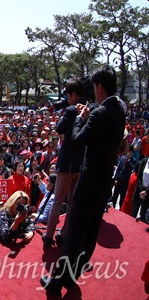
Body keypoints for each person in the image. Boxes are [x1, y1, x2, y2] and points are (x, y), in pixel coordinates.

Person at [41, 66, 126, 296]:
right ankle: (72, 275)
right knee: (90, 235)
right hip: (104, 183)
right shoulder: (120, 109)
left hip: (88, 182)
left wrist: (80, 119)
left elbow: (77, 141)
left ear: (99, 87)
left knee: (75, 233)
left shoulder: (98, 113)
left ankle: (57, 282)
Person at [42, 78, 86, 248]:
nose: (67, 99)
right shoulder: (91, 109)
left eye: (68, 96)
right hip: (80, 164)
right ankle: (64, 234)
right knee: (72, 202)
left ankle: (48, 236)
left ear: (73, 95)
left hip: (67, 163)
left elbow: (59, 129)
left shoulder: (71, 110)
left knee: (58, 201)